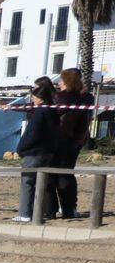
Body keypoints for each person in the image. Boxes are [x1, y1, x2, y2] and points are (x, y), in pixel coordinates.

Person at [49, 68, 93, 219]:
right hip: (72, 142)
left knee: (60, 176)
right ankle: (67, 208)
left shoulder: (65, 97)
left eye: (62, 80)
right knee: (64, 175)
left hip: (63, 141)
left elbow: (54, 114)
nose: (59, 83)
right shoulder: (85, 97)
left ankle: (62, 208)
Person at [16, 77, 58, 222]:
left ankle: (25, 213)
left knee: (27, 181)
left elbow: (33, 133)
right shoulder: (53, 111)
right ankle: (39, 212)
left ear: (40, 98)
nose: (32, 99)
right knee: (41, 182)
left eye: (34, 96)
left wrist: (21, 148)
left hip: (35, 152)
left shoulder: (40, 112)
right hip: (48, 151)